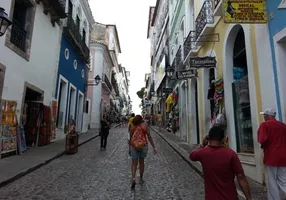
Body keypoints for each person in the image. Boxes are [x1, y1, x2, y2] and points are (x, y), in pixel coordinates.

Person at [190, 126, 251, 200]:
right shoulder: (231, 154)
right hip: (230, 197)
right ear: (223, 139)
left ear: (208, 138)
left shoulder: (202, 153)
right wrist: (248, 198)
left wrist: (202, 145)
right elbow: (241, 177)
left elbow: (192, 156)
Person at [258, 108, 286, 200]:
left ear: (267, 116)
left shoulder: (264, 125)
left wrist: (263, 146)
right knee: (283, 180)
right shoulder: (283, 126)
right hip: (284, 156)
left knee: (272, 181)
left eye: (264, 115)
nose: (264, 117)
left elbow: (262, 140)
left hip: (271, 156)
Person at [129, 115, 157, 190]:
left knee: (134, 163)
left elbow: (130, 138)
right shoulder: (145, 126)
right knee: (141, 162)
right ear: (141, 120)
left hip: (134, 146)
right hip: (143, 145)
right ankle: (141, 178)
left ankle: (134, 178)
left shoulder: (132, 126)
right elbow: (149, 136)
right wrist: (153, 147)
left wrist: (129, 148)